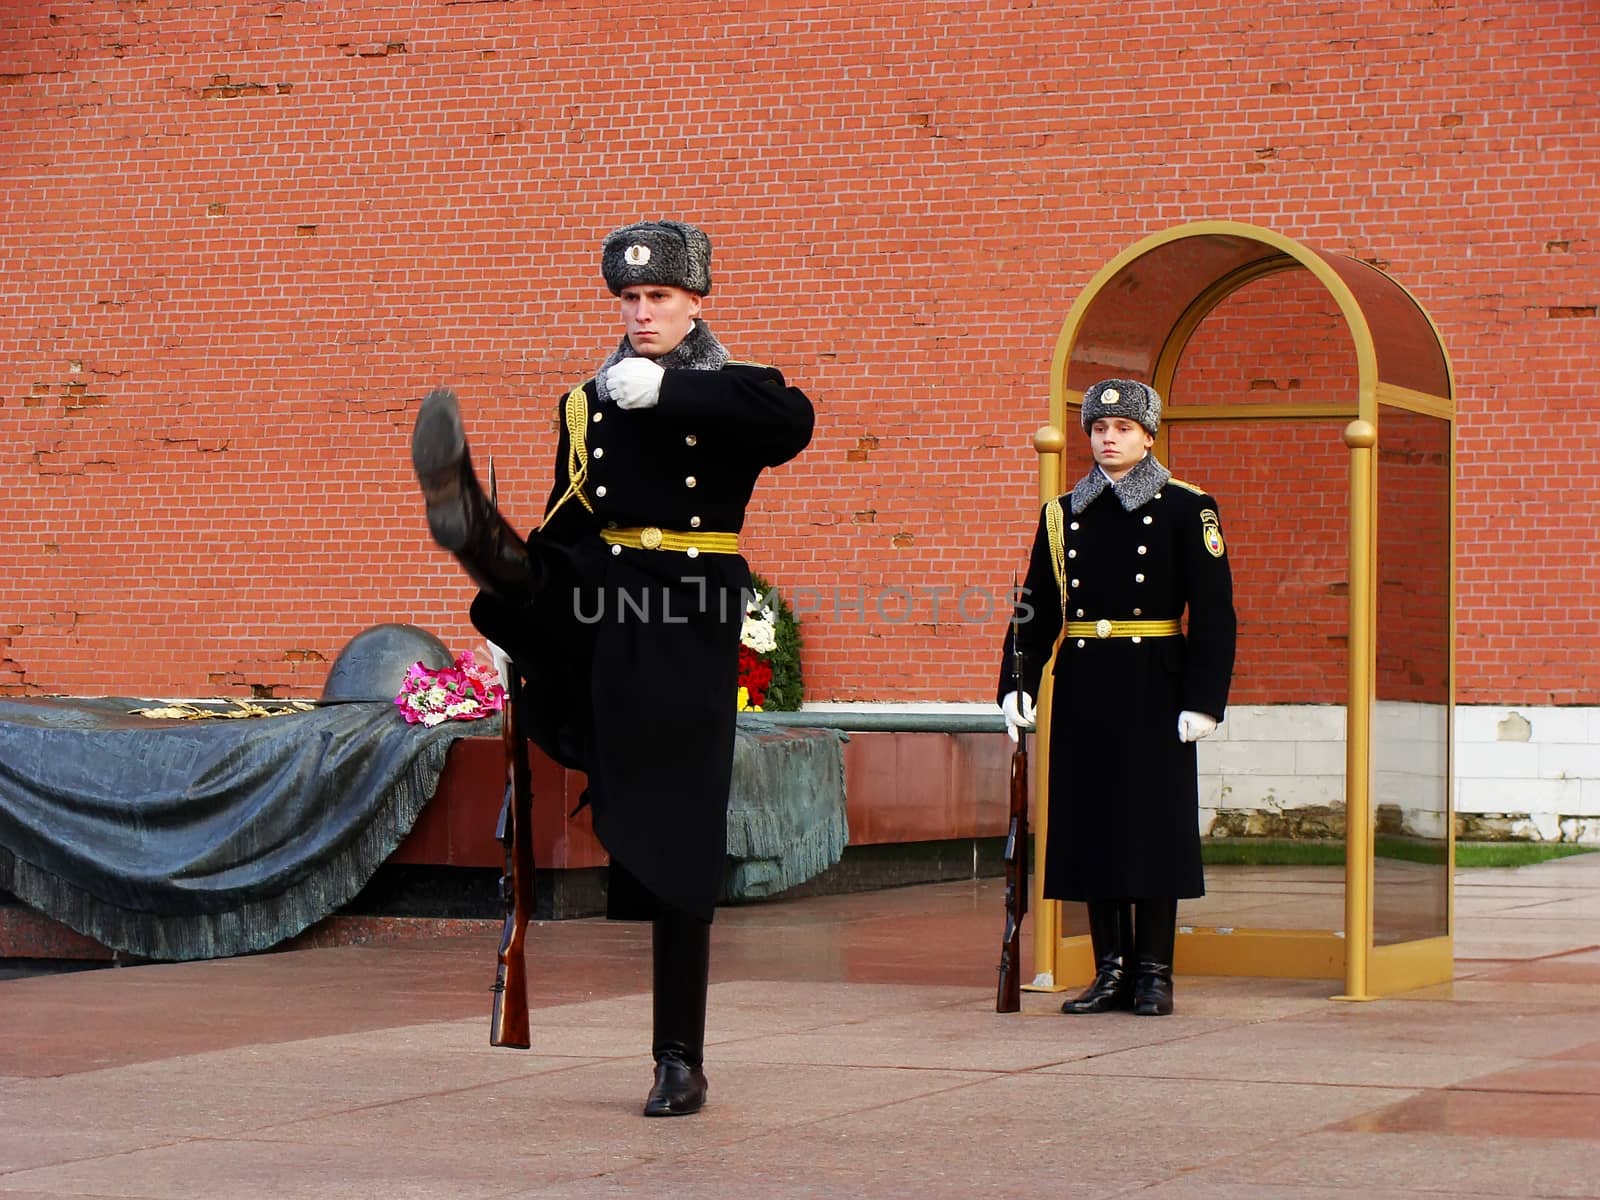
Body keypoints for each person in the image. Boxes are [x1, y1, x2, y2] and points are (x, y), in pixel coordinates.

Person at [409, 219, 814, 1114]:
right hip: (607, 581)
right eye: (628, 300)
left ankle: (679, 1057)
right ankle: (473, 534)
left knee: (679, 824)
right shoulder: (584, 401)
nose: (640, 314)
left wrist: (668, 395)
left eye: (659, 298)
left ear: (696, 302)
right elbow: (570, 517)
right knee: (536, 577)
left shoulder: (735, 388)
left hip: (691, 601)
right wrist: (521, 614)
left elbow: (791, 425)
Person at [998, 379, 1235, 1017]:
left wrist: (1204, 699)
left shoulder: (1189, 507)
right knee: (1092, 827)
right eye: (1100, 429)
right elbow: (1037, 608)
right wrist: (1016, 683)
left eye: (1123, 428)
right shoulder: (1063, 512)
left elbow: (1214, 614)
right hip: (1084, 682)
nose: (1109, 438)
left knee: (1153, 829)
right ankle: (1111, 971)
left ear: (1148, 435)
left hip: (1156, 684)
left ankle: (1154, 973)